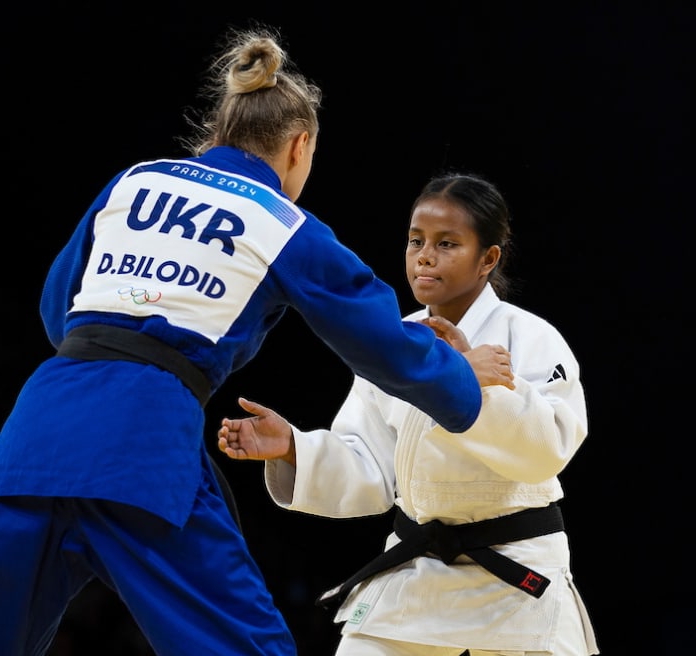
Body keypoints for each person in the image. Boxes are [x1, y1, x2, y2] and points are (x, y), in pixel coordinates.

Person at [0, 27, 512, 656]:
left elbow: (56, 306)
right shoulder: (281, 220)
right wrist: (461, 379)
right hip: (140, 441)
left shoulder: (134, 181)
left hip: (37, 431)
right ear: (299, 145)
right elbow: (379, 338)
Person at [218, 172, 600, 655]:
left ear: (488, 259)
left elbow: (546, 451)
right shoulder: (395, 342)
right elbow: (372, 466)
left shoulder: (529, 338)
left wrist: (469, 386)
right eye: (416, 240)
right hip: (416, 575)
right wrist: (294, 446)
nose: (424, 256)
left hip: (511, 577)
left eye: (447, 244)